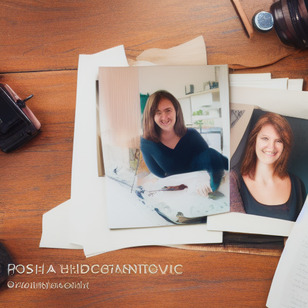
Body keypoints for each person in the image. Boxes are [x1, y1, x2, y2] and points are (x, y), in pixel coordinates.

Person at [140, 90, 228, 192]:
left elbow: (212, 161)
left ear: (176, 111)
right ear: (151, 116)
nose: (164, 117)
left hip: (203, 190)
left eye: (168, 110)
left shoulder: (192, 134)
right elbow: (160, 176)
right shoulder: (146, 143)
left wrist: (210, 181)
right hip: (177, 194)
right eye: (158, 112)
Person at [230, 112, 306, 221]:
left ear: (285, 146)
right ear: (254, 139)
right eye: (265, 138)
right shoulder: (234, 182)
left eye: (279, 141)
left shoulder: (297, 185)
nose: (271, 147)